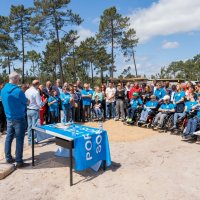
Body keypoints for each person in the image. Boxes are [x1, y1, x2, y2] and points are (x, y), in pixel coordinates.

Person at [1, 71, 29, 168]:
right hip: (19, 118)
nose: (19, 81)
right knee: (19, 140)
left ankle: (8, 158)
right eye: (18, 79)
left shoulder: (3, 90)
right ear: (16, 79)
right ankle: (19, 161)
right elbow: (27, 102)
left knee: (8, 138)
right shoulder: (18, 91)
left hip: (9, 118)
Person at [25, 80, 42, 145]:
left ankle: (29, 140)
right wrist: (44, 102)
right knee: (34, 126)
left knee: (29, 126)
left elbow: (26, 100)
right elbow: (39, 104)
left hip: (28, 109)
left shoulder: (27, 91)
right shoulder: (36, 92)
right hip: (34, 110)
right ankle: (33, 141)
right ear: (37, 84)